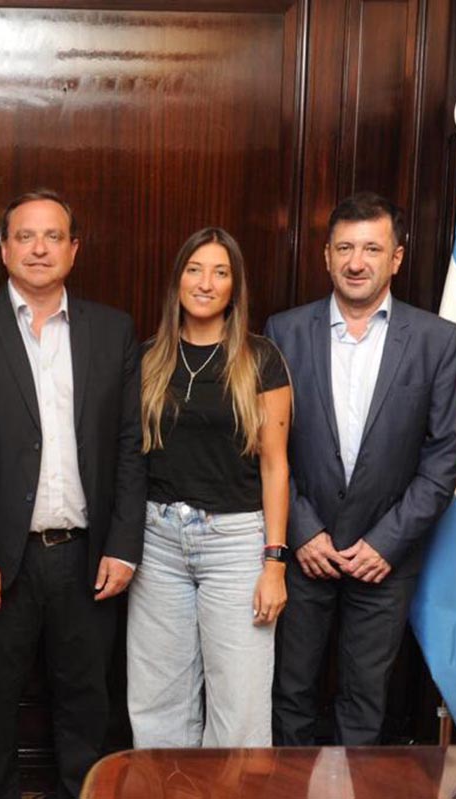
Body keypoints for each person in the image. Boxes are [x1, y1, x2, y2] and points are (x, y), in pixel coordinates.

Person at [0, 189, 145, 799]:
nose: (39, 248)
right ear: (4, 250)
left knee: (87, 711)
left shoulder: (113, 329)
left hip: (88, 557)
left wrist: (124, 546)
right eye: (25, 236)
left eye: (53, 236)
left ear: (74, 250)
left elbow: (130, 447)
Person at [265, 192, 456, 745]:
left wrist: (387, 542)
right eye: (346, 248)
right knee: (291, 696)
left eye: (372, 248)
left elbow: (446, 453)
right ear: (326, 256)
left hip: (386, 560)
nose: (357, 262)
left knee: (364, 703)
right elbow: (267, 446)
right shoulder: (284, 332)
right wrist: (302, 533)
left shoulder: (437, 341)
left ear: (396, 258)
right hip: (305, 555)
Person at [127, 227, 292, 747]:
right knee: (157, 700)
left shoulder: (261, 359)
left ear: (234, 287)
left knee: (239, 703)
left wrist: (274, 564)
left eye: (220, 272)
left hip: (236, 544)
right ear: (177, 280)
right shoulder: (148, 358)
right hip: (157, 542)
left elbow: (276, 467)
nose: (206, 283)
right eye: (195, 269)